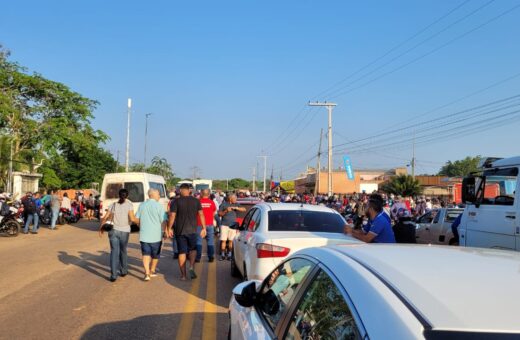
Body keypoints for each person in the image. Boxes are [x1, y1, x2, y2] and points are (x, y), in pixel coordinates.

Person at [166, 183, 207, 281]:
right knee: (193, 249)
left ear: (180, 190)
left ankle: (183, 275)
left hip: (180, 231)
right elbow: (201, 214)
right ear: (189, 190)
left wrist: (169, 228)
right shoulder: (196, 201)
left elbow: (172, 216)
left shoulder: (175, 201)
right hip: (192, 230)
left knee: (182, 252)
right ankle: (191, 266)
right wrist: (204, 228)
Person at [99, 188, 137, 282]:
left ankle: (113, 275)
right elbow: (132, 218)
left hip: (113, 231)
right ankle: (123, 271)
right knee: (123, 250)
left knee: (114, 252)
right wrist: (141, 221)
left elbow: (106, 217)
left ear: (119, 195)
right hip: (124, 231)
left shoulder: (113, 204)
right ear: (127, 196)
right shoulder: (129, 205)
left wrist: (101, 228)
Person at [135, 188, 167, 281]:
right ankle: (152, 270)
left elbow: (137, 219)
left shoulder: (142, 205)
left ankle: (147, 273)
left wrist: (140, 225)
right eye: (158, 195)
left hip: (144, 235)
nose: (159, 196)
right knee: (155, 255)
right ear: (153, 195)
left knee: (145, 254)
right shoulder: (159, 206)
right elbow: (164, 221)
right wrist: (165, 231)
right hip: (156, 236)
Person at [218, 194, 246, 261]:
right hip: (224, 225)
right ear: (230, 198)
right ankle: (223, 254)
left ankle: (230, 254)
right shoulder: (223, 204)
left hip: (232, 226)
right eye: (235, 199)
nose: (236, 200)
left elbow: (244, 209)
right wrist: (226, 210)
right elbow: (219, 214)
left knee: (231, 240)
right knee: (223, 240)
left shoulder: (236, 204)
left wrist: (236, 208)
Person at [196, 189, 217, 263]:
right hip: (209, 224)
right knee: (210, 241)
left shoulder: (198, 202)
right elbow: (214, 211)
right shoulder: (211, 202)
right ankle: (211, 257)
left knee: (198, 241)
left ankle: (197, 258)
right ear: (209, 195)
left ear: (201, 194)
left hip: (199, 224)